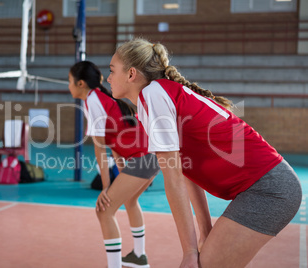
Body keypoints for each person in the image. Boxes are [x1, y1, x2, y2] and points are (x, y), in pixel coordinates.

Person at [107, 38, 302, 267]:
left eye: (112, 71)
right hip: (268, 187)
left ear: (131, 74)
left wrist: (189, 251)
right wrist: (204, 232)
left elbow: (174, 179)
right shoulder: (159, 95)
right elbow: (188, 171)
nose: (108, 78)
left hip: (269, 190)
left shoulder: (154, 95)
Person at [69, 61, 160, 268]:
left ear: (81, 83)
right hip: (152, 156)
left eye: (69, 81)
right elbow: (114, 146)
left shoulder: (93, 101)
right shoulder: (102, 98)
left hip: (143, 158)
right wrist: (119, 175)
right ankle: (139, 255)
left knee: (104, 210)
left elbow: (99, 148)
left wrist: (105, 187)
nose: (68, 86)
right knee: (129, 201)